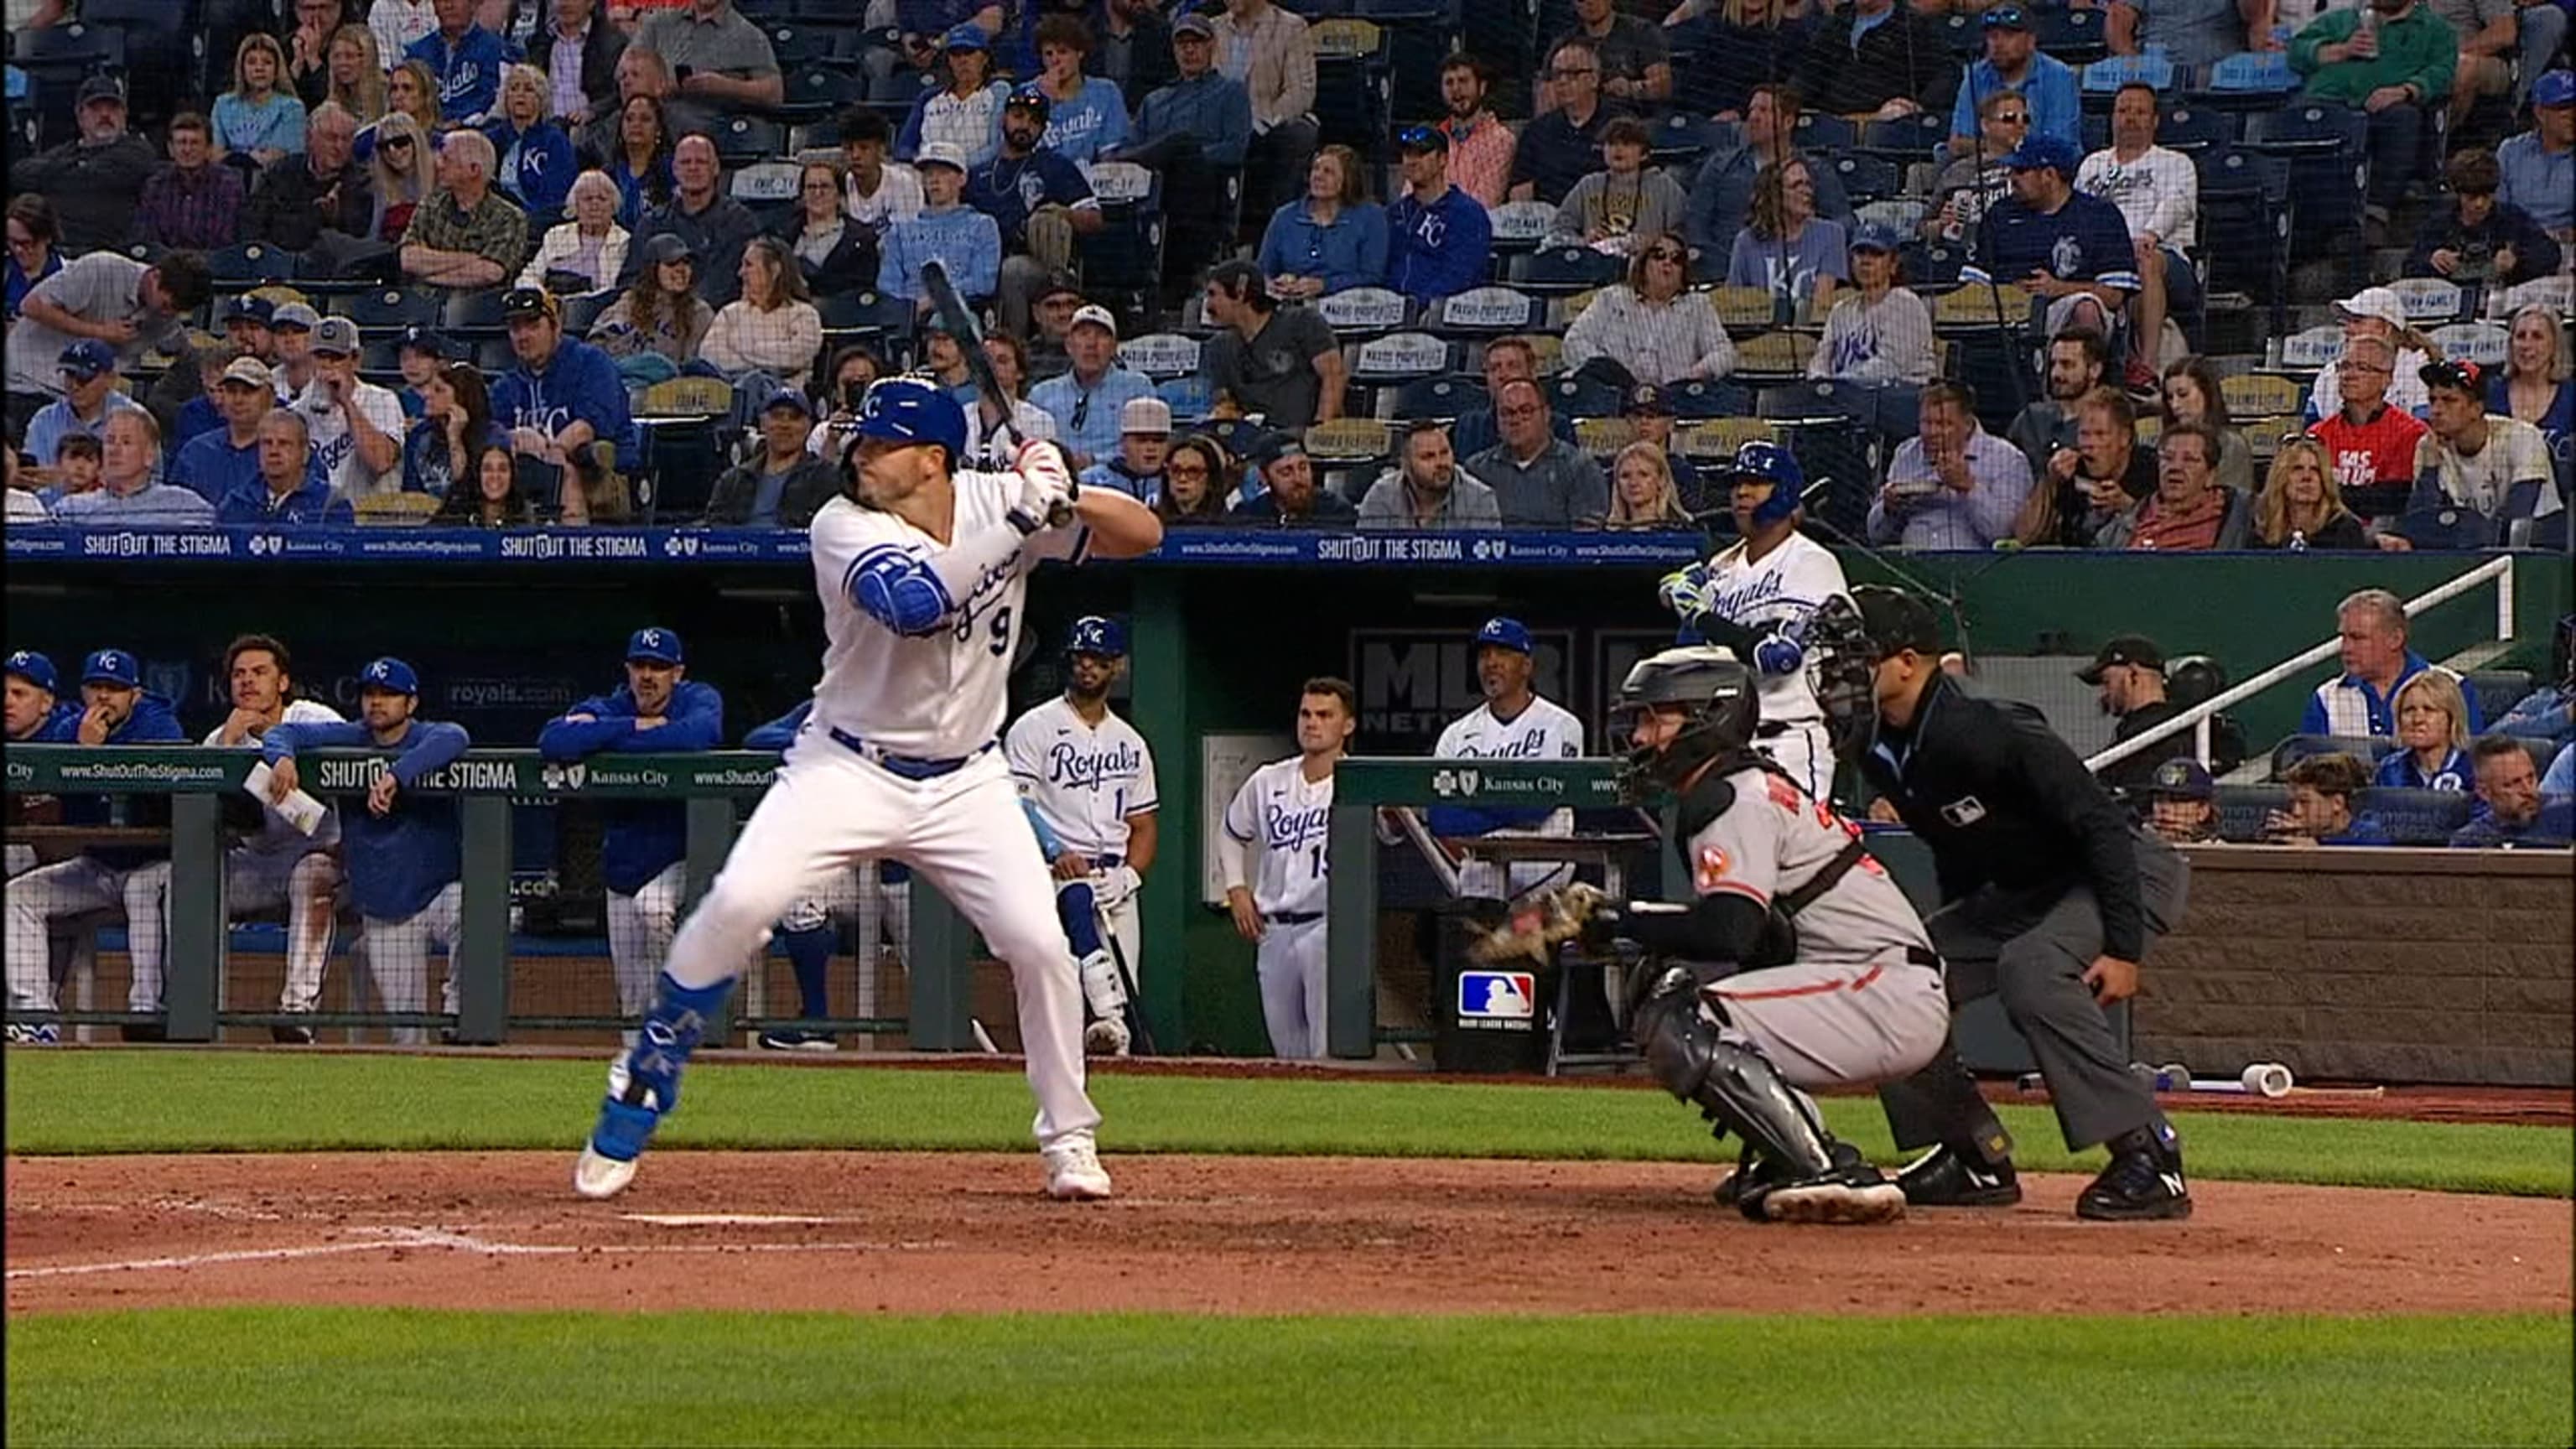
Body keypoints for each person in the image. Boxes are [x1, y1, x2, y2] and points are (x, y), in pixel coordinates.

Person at [569, 378, 1163, 1203]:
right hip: (846, 766)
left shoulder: (1003, 496)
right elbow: (914, 604)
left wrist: (1070, 488)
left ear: (931, 460)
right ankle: (646, 1072)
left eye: (881, 445)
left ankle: (1070, 1139)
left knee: (1038, 947)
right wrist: (1028, 517)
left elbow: (1147, 534)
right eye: (861, 441)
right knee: (739, 903)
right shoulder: (841, 523)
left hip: (968, 779)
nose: (861, 455)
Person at [1823, 584, 2195, 1221]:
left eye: (1856, 657)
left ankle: (2149, 1155)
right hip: (2027, 885)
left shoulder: (1987, 725)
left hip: (2120, 871)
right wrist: (1951, 944)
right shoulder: (1873, 740)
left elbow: (2100, 827)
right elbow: (1953, 844)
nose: (1839, 673)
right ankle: (1972, 1153)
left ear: (1908, 662)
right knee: (1895, 972)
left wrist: (2122, 950)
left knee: (2031, 969)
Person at [1567, 646, 1946, 1222]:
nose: (1641, 737)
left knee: (1686, 1017)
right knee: (1669, 982)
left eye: (1656, 718)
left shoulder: (1736, 798)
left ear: (1707, 718)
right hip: (1869, 984)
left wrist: (1623, 919)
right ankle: (1786, 1150)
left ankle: (1825, 1166)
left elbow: (1730, 931)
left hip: (1882, 989)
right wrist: (1628, 930)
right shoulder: (1739, 785)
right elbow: (1759, 937)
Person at [120, 636, 346, 1040]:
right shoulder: (221, 737)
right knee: (176, 879)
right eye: (239, 674)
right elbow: (222, 824)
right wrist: (226, 750)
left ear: (282, 682)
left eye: (260, 673)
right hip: (257, 863)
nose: (248, 681)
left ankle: (296, 1014)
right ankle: (184, 1009)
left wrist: (277, 745)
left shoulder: (314, 718)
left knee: (311, 874)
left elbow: (313, 817)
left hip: (323, 856)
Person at [258, 658, 472, 1044]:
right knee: (407, 1037)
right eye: (370, 694)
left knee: (476, 909)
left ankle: (458, 1015)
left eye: (389, 694)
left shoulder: (427, 736)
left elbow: (456, 737)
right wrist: (283, 758)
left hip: (439, 894)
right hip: (386, 908)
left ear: (411, 704)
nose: (377, 702)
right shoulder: (350, 737)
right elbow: (283, 733)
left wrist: (396, 774)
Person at [538, 629, 724, 1029]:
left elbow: (697, 737)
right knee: (631, 1002)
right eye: (640, 665)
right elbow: (554, 740)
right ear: (628, 669)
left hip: (684, 854)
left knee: (653, 909)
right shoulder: (612, 704)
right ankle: (638, 1077)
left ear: (677, 673)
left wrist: (603, 737)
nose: (648, 675)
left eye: (658, 667)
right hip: (623, 864)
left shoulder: (699, 698)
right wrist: (637, 726)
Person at [1, 649, 187, 1041]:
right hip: (98, 868)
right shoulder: (72, 727)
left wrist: (95, 756)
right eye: (95, 687)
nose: (103, 697)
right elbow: (46, 745)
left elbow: (161, 777)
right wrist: (82, 750)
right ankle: (35, 1019)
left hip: (153, 866)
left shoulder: (157, 724)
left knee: (142, 889)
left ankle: (150, 1012)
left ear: (134, 694)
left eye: (115, 688)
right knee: (18, 896)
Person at [1657, 441, 1852, 801]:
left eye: (1756, 482)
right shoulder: (1723, 570)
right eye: (1736, 484)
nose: (1741, 492)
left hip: (1787, 743)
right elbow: (1690, 658)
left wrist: (1701, 615)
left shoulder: (1811, 563)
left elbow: (1778, 656)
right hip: (1726, 747)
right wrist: (1687, 608)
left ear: (1785, 491)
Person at [1005, 616, 1161, 1057]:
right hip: (1055, 876)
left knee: (1119, 1009)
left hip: (1114, 885)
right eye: (1081, 658)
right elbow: (1019, 802)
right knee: (1063, 997)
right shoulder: (1033, 728)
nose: (1087, 667)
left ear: (1117, 667)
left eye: (1098, 660)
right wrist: (1056, 851)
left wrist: (1129, 876)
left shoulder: (1130, 742)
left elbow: (1144, 825)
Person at [1220, 677, 1355, 1060]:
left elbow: (1394, 833)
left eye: (1325, 715)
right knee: (1286, 1048)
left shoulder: (1358, 781)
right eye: (1306, 714)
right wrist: (1236, 888)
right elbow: (1231, 834)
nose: (1312, 723)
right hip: (1274, 928)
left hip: (1327, 926)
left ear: (1347, 725)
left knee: (1325, 1049)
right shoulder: (1268, 780)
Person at [1424, 613, 1587, 901]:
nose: (1491, 662)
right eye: (1484, 654)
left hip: (1542, 882)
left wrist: (1473, 802)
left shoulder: (1561, 725)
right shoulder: (1456, 734)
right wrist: (1511, 800)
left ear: (1527, 666)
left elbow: (1539, 804)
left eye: (1503, 652)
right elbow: (1441, 818)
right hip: (1480, 882)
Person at [2288, 0, 2459, 235]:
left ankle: (2375, 212)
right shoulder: (2343, 20)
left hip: (2385, 108)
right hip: (2328, 102)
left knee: (2403, 118)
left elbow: (2443, 71)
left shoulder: (2435, 30)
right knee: (2300, 116)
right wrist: (2340, 50)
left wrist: (2407, 90)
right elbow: (2297, 51)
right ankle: (2298, 213)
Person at [1966, 136, 2141, 357]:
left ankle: (2086, 387)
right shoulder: (2000, 213)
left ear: (2049, 175)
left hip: (2060, 310)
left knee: (2085, 308)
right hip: (2000, 312)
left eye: (2021, 171)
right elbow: (1974, 280)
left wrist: (2058, 289)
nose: (2012, 178)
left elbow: (2114, 295)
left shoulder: (2100, 215)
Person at [2077, 84, 2202, 380]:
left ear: (2155, 121)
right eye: (2123, 110)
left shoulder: (2175, 162)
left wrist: (2149, 235)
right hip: (2103, 261)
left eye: (2140, 111)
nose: (2130, 117)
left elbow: (2177, 205)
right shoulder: (2092, 164)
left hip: (2165, 259)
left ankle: (2147, 367)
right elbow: (2078, 213)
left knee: (2146, 258)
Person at [968, 90, 1104, 342]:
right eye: (1018, 116)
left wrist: (1063, 213)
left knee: (1018, 265)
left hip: (1042, 264)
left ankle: (1015, 348)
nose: (1025, 125)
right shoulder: (979, 174)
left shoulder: (1056, 166)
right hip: (985, 263)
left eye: (1034, 122)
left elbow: (1094, 219)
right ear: (1004, 119)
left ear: (1042, 129)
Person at [491, 285, 637, 511]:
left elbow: (587, 427)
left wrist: (552, 449)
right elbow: (494, 433)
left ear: (555, 326)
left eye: (533, 325)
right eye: (515, 328)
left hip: (601, 475)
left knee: (566, 470)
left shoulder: (590, 362)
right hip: (532, 480)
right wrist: (516, 437)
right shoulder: (507, 385)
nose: (523, 336)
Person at [1685, 84, 1854, 262]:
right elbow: (1696, 222)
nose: (1753, 117)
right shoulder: (1720, 165)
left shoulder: (1816, 171)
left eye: (1764, 111)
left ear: (1788, 122)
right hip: (1727, 273)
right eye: (1751, 110)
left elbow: (1844, 222)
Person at [1867, 382, 2034, 550]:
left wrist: (1968, 487)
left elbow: (2006, 533)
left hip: (1976, 568)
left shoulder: (2007, 459)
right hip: (1910, 565)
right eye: (1926, 423)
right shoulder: (1906, 453)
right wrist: (1888, 509)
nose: (1932, 433)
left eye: (1943, 424)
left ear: (1968, 424)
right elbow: (1875, 536)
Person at [2412, 357, 2563, 541]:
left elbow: (2519, 512)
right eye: (2432, 400)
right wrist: (2429, 470)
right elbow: (2422, 524)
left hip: (2537, 547)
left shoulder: (2522, 437)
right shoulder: (2429, 446)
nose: (2436, 410)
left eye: (2449, 400)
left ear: (2476, 408)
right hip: (2473, 548)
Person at [2301, 587, 2485, 736]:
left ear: (2395, 639)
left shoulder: (2453, 688)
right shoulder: (2327, 698)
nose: (2346, 648)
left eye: (2358, 638)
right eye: (2344, 637)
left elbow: (2471, 764)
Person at [5, 76, 157, 256]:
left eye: (112, 108)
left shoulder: (136, 150)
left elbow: (97, 179)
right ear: (80, 116)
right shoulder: (65, 151)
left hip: (112, 254)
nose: (105, 115)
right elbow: (20, 174)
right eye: (96, 109)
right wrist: (76, 166)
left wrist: (56, 176)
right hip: (57, 252)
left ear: (124, 114)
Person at [1199, 261, 1345, 432]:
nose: (1207, 306)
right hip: (1249, 440)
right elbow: (1224, 401)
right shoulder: (1219, 346)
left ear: (1240, 293)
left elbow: (1334, 375)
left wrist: (1320, 430)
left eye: (1213, 295)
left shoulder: (1302, 323)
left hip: (1299, 439)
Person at [620, 133, 761, 308]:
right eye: (685, 162)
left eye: (701, 162)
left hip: (712, 320)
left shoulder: (739, 222)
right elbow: (631, 280)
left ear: (716, 168)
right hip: (653, 319)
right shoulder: (651, 223)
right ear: (674, 169)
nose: (693, 168)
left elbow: (723, 287)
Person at [1215, 0, 1320, 221]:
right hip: (1219, 128)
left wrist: (1263, 123)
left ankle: (1278, 227)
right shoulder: (1212, 29)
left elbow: (1301, 91)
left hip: (1268, 126)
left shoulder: (1291, 27)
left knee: (1299, 133)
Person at [2016, 385, 2158, 548]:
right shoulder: (2068, 469)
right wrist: (2050, 483)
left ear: (2125, 437)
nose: (2089, 444)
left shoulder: (2152, 471)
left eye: (2100, 434)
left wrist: (2128, 508)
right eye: (2084, 434)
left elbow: (2167, 537)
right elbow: (2024, 536)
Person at [2406, 148, 2563, 289]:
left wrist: (2517, 260)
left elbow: (2550, 255)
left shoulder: (2513, 219)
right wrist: (2432, 260)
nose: (2479, 204)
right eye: (2472, 197)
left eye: (2486, 196)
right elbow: (2409, 266)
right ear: (2458, 192)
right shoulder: (2438, 224)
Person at [877, 142, 1003, 313]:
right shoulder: (900, 231)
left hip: (961, 312)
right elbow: (888, 286)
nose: (934, 180)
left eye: (943, 173)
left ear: (962, 179)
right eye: (929, 174)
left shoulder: (982, 226)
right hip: (908, 318)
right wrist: (910, 308)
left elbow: (983, 283)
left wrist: (935, 299)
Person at [401, 129, 532, 289]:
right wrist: (470, 259)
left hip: (478, 306)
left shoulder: (510, 217)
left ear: (474, 170)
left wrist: (430, 276)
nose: (438, 164)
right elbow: (408, 259)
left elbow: (490, 272)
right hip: (423, 305)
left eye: (447, 159)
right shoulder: (430, 204)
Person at [1469, 380, 1610, 528]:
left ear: (1546, 414)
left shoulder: (1580, 468)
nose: (1515, 420)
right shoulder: (1478, 470)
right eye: (1506, 413)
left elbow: (1587, 540)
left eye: (1525, 411)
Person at [1257, 144, 1388, 303]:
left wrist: (1324, 285)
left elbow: (1372, 276)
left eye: (1328, 172)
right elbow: (1263, 272)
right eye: (1316, 169)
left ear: (1348, 179)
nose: (1318, 176)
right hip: (1291, 309)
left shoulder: (1370, 217)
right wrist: (1277, 283)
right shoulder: (1285, 217)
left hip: (1349, 309)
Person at [2312, 335, 2431, 509]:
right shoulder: (2318, 434)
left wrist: (2330, 494)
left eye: (2362, 368)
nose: (2348, 376)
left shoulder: (2410, 433)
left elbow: (2391, 500)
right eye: (2344, 367)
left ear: (2386, 379)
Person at [1808, 226, 1936, 387]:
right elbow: (1821, 359)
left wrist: (1839, 385)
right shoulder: (1841, 310)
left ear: (1893, 264)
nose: (1866, 261)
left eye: (1877, 254)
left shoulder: (1906, 304)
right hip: (1847, 399)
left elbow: (1889, 366)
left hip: (1899, 399)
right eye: (1860, 253)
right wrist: (1819, 383)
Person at [1790, 0, 1961, 121]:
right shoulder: (1837, 24)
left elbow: (1946, 73)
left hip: (1886, 124)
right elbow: (1808, 74)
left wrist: (1920, 105)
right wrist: (1786, 102)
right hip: (1834, 122)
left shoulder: (1912, 25)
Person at [1027, 306, 1152, 470]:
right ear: (1069, 346)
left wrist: (1095, 460)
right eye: (1084, 334)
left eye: (1101, 335)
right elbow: (1030, 450)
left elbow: (1148, 449)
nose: (1091, 343)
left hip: (1118, 482)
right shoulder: (1041, 395)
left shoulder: (1137, 388)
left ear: (1114, 347)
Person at [1383, 126, 1494, 307]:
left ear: (1443, 159)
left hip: (1442, 317)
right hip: (1390, 313)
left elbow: (1460, 276)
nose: (1412, 161)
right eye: (1408, 154)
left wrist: (1417, 306)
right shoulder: (1395, 213)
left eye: (1422, 154)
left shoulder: (1466, 214)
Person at [1547, 118, 1689, 257]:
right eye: (1611, 144)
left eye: (1627, 144)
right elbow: (1560, 228)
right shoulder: (1589, 185)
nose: (1618, 149)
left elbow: (1682, 230)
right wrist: (1584, 241)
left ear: (1644, 154)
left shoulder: (1664, 186)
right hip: (1594, 264)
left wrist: (1653, 243)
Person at [700, 236, 824, 393]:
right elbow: (710, 357)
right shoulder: (730, 313)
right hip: (732, 392)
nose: (740, 273)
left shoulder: (804, 314)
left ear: (774, 270)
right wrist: (765, 363)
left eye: (748, 265)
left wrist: (740, 345)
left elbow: (794, 357)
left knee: (756, 383)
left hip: (784, 398)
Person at [1951, 6, 2080, 158]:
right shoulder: (1977, 76)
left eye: (2008, 35)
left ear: (2031, 41)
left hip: (2040, 171)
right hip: (1985, 167)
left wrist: (1997, 143)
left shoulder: (2059, 76)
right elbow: (1958, 143)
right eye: (1993, 36)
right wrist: (2007, 145)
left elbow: (2059, 145)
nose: (1998, 44)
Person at [1727, 158, 1846, 319]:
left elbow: (1820, 305)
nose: (1807, 192)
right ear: (1774, 194)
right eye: (1796, 185)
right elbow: (1736, 301)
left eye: (1808, 184)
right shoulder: (1746, 242)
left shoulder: (1831, 234)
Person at [2102, 421, 2251, 550]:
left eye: (2189, 460)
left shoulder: (2240, 517)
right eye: (2168, 458)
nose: (2175, 467)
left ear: (2210, 475)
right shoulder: (2123, 525)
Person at [589, 232, 712, 384]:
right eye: (671, 264)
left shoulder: (699, 312)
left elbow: (691, 368)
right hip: (619, 381)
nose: (681, 270)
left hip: (666, 390)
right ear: (652, 269)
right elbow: (596, 344)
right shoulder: (629, 302)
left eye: (686, 263)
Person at [52, 412, 216, 525]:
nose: (115, 450)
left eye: (126, 442)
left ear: (149, 456)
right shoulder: (70, 510)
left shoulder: (185, 507)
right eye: (109, 441)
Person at [705, 387, 839, 526]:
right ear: (763, 424)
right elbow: (714, 529)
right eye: (777, 416)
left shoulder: (825, 477)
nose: (785, 425)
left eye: (794, 417)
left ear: (808, 426)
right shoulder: (733, 481)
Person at [2077, 635, 2191, 797]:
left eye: (2107, 682)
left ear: (2133, 674)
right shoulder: (2137, 727)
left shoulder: (2166, 732)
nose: (2103, 693)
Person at [2304, 287, 2434, 427]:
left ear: (2385, 329)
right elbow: (2311, 432)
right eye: (2347, 322)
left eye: (2357, 321)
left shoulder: (2419, 371)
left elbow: (2425, 431)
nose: (2348, 329)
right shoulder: (2329, 374)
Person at [635, 0, 784, 117]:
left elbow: (774, 93)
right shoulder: (658, 24)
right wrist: (662, 86)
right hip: (653, 120)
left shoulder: (750, 36)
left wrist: (724, 87)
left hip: (713, 127)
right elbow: (625, 70)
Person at [1509, 38, 1612, 206]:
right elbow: (1519, 190)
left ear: (1594, 79)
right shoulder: (1537, 131)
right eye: (1557, 74)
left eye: (1572, 73)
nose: (1562, 81)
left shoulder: (1618, 126)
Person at [896, 24, 1010, 171]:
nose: (962, 60)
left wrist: (954, 168)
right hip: (929, 174)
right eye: (955, 54)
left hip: (977, 175)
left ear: (985, 58)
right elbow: (904, 148)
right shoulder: (929, 98)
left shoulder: (998, 93)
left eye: (969, 52)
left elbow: (997, 147)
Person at [23, 342, 145, 479]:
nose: (75, 386)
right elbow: (33, 478)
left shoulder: (136, 420)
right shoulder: (44, 421)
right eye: (70, 375)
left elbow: (149, 480)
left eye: (84, 378)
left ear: (110, 379)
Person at [1925, 91, 2028, 248]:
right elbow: (1922, 229)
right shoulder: (1957, 172)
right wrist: (1940, 224)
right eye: (2010, 119)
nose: (2020, 124)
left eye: (2025, 119)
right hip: (1960, 252)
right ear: (1985, 125)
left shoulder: (2033, 170)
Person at [1020, 16, 1129, 164]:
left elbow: (1111, 156)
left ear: (1080, 53)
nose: (1055, 60)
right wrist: (1045, 102)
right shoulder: (1025, 94)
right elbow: (1018, 153)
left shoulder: (1106, 92)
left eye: (1063, 52)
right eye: (1049, 54)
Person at [1356, 420, 1503, 528]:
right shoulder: (1382, 496)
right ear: (1406, 465)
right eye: (1428, 457)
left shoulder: (1479, 498)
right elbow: (1367, 559)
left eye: (1445, 452)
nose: (1441, 463)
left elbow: (1483, 566)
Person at [2009, 327, 2112, 480]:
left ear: (2094, 370)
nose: (2056, 374)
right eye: (2053, 364)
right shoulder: (2030, 418)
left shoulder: (2108, 425)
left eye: (2067, 365)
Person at [138, 113, 249, 253]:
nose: (187, 150)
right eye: (181, 143)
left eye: (195, 143)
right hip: (166, 267)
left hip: (214, 267)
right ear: (170, 149)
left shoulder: (228, 185)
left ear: (209, 149)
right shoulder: (155, 186)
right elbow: (150, 237)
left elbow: (226, 239)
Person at [218, 408, 351, 524]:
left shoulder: (330, 504)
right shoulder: (236, 503)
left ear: (305, 453)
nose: (274, 451)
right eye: (267, 443)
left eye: (284, 443)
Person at [485, 63, 580, 217]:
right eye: (514, 88)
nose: (520, 94)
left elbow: (555, 196)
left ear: (541, 99)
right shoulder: (492, 138)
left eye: (529, 89)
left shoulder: (554, 140)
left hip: (538, 221)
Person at [404, 360, 506, 499]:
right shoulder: (419, 435)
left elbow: (469, 492)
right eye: (428, 387)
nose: (427, 394)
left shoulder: (492, 435)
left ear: (461, 397)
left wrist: (454, 439)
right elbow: (411, 492)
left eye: (438, 390)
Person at [2251, 436, 2375, 549]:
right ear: (2280, 478)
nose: (2307, 477)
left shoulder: (2345, 529)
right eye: (2297, 469)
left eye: (2315, 470)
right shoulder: (2262, 529)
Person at [519, 169, 631, 291]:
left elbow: (618, 289)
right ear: (575, 206)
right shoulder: (556, 235)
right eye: (588, 199)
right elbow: (530, 276)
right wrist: (542, 296)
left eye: (602, 199)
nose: (595, 205)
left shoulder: (623, 241)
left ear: (613, 206)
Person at [406, 0, 515, 125]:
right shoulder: (417, 53)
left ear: (473, 4)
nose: (449, 5)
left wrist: (462, 122)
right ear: (434, 7)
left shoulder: (496, 50)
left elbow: (491, 100)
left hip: (480, 134)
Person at [2450, 735, 2573, 847]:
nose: (2528, 790)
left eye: (2531, 778)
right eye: (2513, 783)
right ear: (2484, 792)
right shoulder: (2470, 842)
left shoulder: (2567, 813)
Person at [776, 159, 873, 300]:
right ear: (802, 194)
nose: (818, 192)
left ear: (839, 195)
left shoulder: (862, 240)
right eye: (811, 187)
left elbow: (860, 290)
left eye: (825, 187)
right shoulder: (783, 236)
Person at [2491, 304, 2573, 469]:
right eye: (2521, 336)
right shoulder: (2491, 393)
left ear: (2554, 345)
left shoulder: (2572, 396)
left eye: (2537, 336)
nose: (2527, 345)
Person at [2496, 70, 2573, 244]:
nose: (2571, 115)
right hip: (2516, 247)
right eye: (2562, 107)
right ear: (2540, 113)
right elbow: (2497, 212)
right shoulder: (2510, 151)